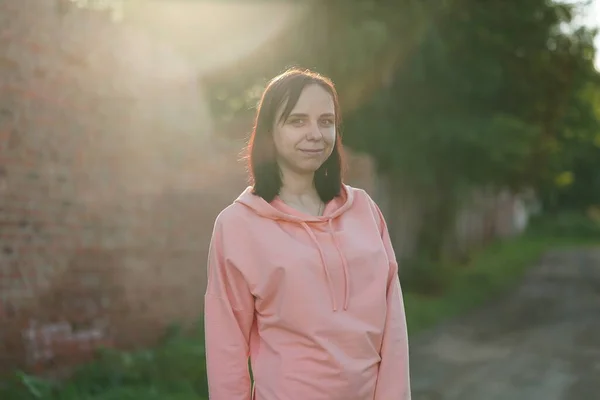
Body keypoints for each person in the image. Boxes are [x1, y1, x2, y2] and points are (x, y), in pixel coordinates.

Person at [204, 68, 411, 400]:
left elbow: (394, 331)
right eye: (297, 121)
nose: (315, 133)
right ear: (270, 131)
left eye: (326, 121)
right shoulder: (238, 225)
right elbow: (225, 347)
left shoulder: (364, 211)